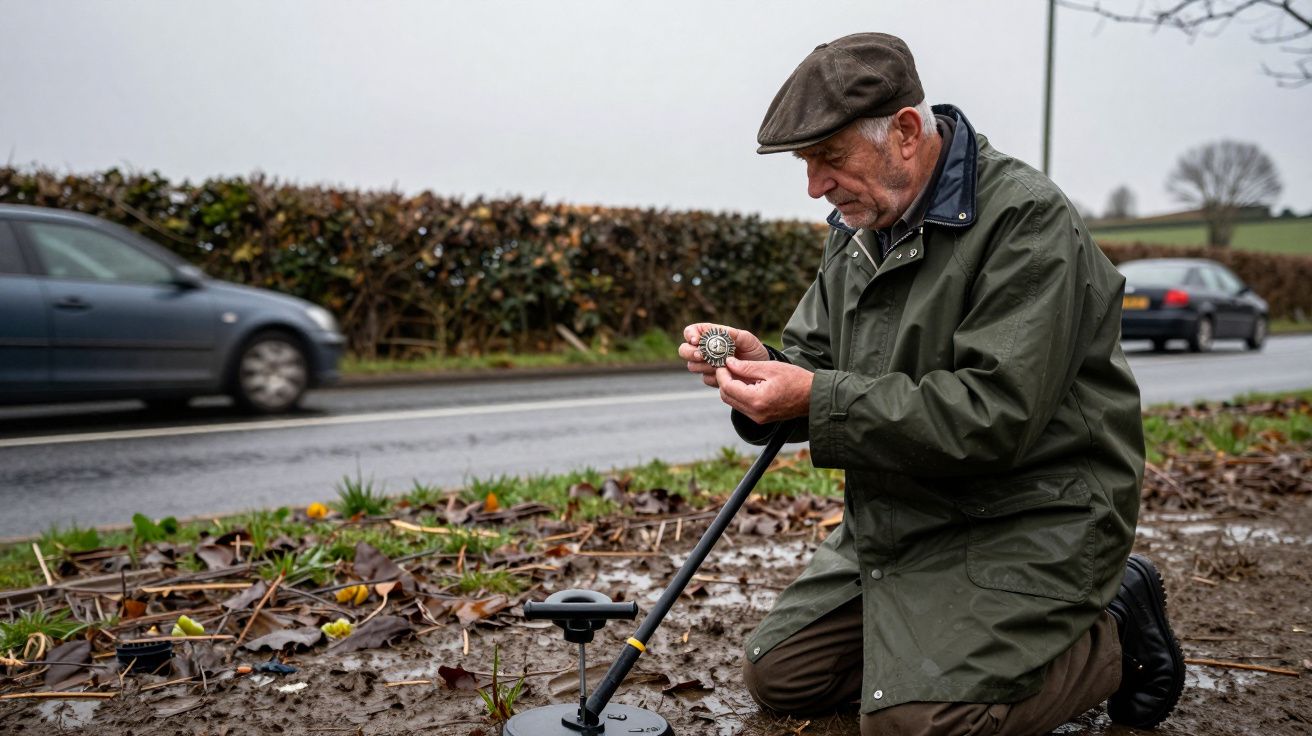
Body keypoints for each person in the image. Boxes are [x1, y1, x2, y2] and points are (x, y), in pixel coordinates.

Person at [679, 33, 1185, 736]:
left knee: (920, 724)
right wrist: (760, 365)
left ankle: (1115, 629)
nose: (814, 186)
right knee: (783, 674)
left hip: (1030, 517)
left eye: (828, 158)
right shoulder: (859, 227)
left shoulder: (1027, 222)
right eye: (806, 163)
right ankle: (937, 650)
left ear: (907, 132)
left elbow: (994, 415)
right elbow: (815, 361)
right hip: (907, 520)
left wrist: (812, 397)